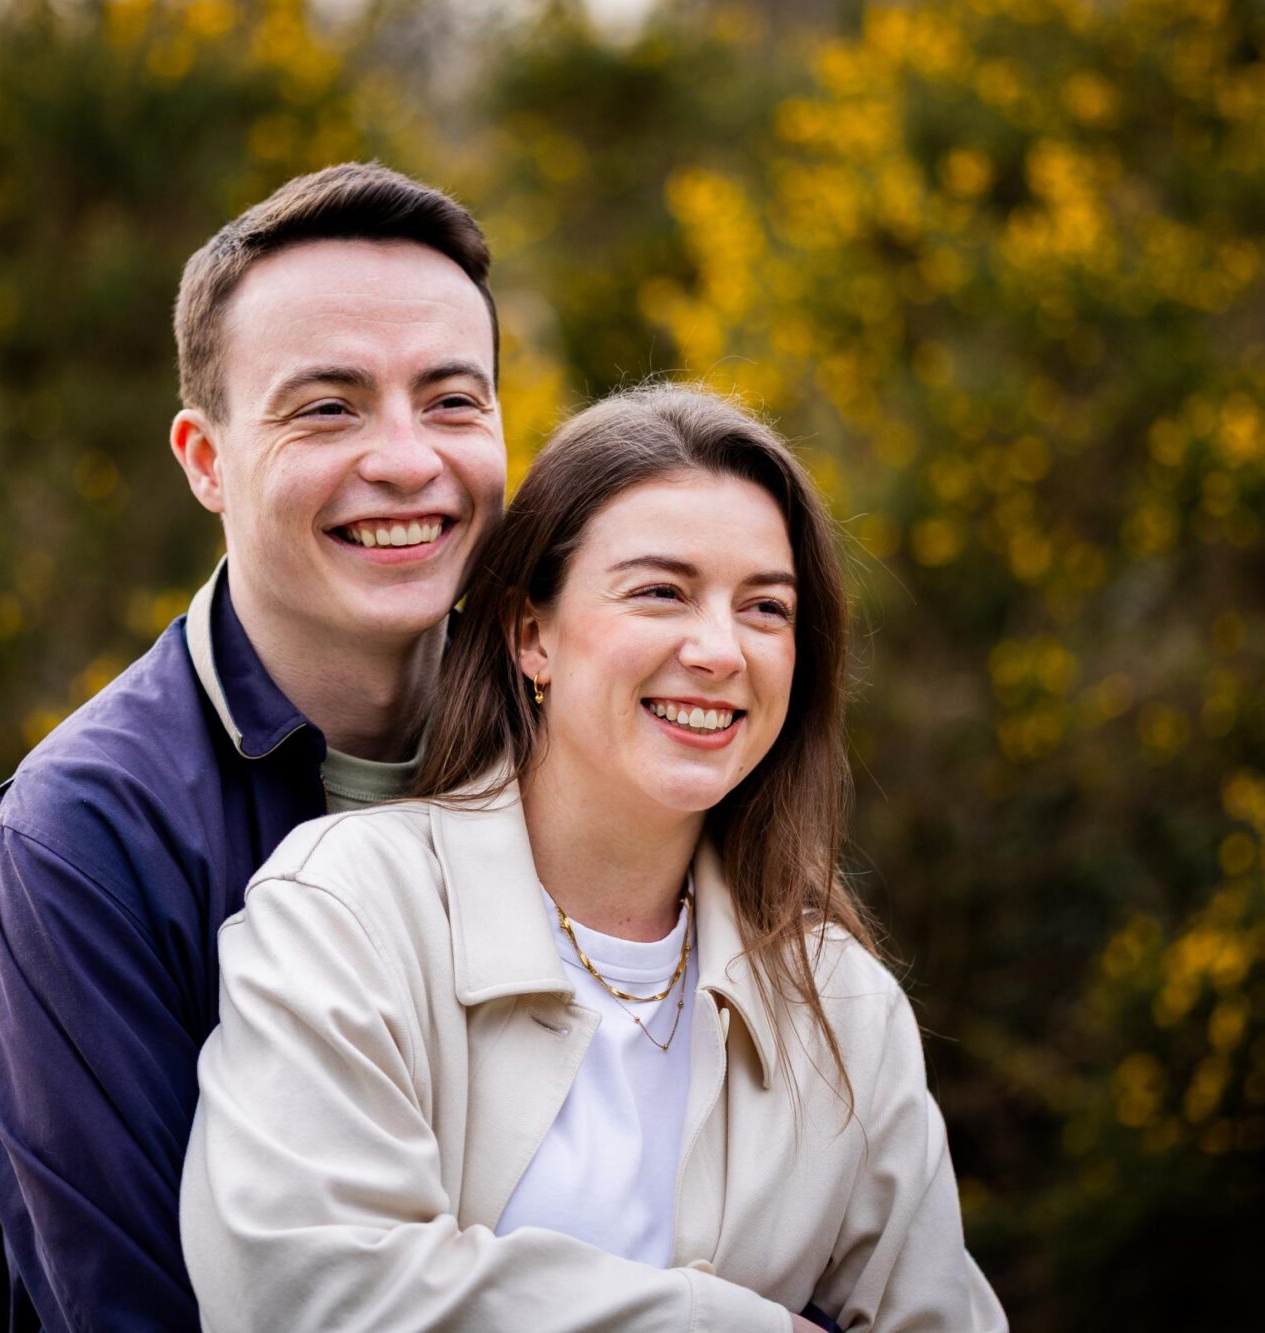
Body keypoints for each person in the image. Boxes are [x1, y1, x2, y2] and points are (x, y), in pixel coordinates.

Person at [182, 384, 1009, 1332]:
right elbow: (305, 1294)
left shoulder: (843, 1008)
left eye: (765, 608)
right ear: (531, 634)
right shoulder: (347, 909)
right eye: (661, 591)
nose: (717, 649)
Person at [0, 162, 509, 1330]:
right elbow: (132, 1309)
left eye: (452, 401)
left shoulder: (579, 751)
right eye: (327, 406)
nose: (408, 459)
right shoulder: (80, 842)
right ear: (204, 460)